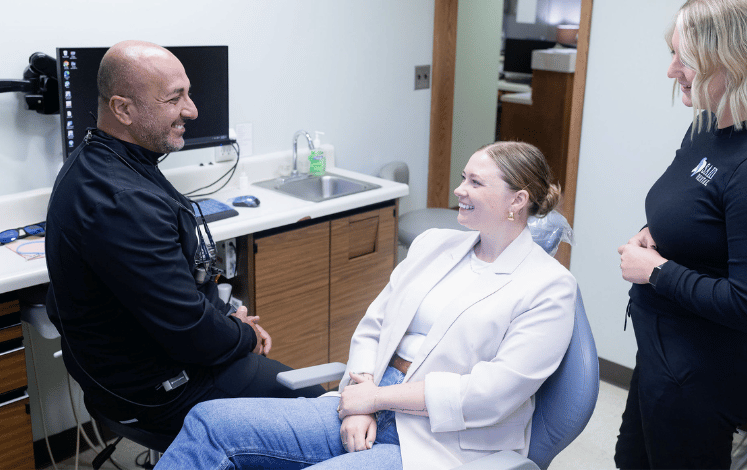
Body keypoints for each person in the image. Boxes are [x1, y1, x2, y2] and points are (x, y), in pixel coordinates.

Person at [154, 141, 577, 470]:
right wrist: (361, 393)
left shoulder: (550, 287)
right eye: (463, 177)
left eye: (475, 183)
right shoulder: (435, 246)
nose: (458, 190)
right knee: (210, 423)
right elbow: (375, 325)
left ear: (517, 202)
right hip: (369, 394)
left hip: (444, 440)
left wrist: (377, 400)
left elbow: (490, 395)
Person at [45, 40, 323, 437]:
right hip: (161, 393)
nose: (192, 110)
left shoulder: (107, 159)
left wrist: (227, 318)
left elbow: (176, 297)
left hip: (148, 364)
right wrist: (242, 334)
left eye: (187, 94)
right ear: (123, 109)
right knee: (314, 405)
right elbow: (188, 329)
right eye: (175, 99)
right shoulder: (122, 201)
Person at [615, 0, 747, 469]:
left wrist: (655, 270)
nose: (671, 70)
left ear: (737, 59)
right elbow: (693, 204)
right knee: (630, 462)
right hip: (663, 345)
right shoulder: (710, 122)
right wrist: (656, 232)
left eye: (685, 58)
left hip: (705, 370)